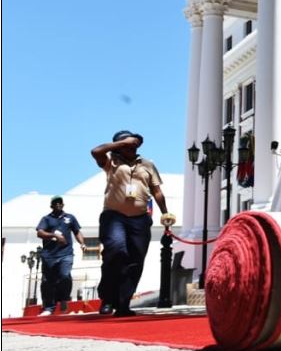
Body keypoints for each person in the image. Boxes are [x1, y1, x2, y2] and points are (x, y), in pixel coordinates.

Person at [91, 131, 176, 317]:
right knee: (116, 250)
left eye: (132, 143)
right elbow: (95, 151)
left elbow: (157, 191)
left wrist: (165, 213)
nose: (130, 146)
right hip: (114, 216)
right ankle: (108, 298)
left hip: (139, 218)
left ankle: (123, 303)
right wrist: (119, 145)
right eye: (125, 144)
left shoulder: (148, 165)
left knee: (135, 261)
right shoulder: (111, 161)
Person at [35, 196, 87, 316]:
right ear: (51, 206)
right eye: (55, 203)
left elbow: (77, 232)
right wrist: (55, 236)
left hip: (66, 253)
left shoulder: (70, 218)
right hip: (49, 256)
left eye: (60, 203)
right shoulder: (46, 219)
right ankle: (49, 308)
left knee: (65, 275)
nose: (58, 204)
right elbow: (40, 232)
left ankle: (64, 299)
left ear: (63, 204)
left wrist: (82, 243)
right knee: (48, 282)